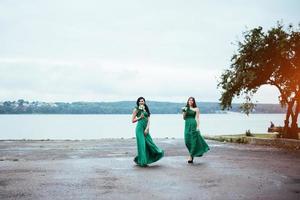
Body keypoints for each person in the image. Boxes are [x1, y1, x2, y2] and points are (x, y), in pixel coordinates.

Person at [132, 97, 164, 167]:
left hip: (146, 128)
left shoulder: (146, 108)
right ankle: (143, 162)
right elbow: (133, 120)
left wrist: (147, 128)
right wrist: (140, 117)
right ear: (138, 102)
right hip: (139, 129)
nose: (141, 102)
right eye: (140, 101)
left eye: (142, 101)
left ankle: (156, 153)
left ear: (144, 102)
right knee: (142, 145)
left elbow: (149, 119)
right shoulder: (136, 109)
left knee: (150, 143)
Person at [182, 97, 209, 163]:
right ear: (188, 101)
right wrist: (184, 111)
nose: (191, 101)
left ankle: (191, 157)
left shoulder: (196, 109)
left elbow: (197, 118)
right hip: (187, 125)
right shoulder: (185, 108)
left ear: (194, 102)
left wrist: (197, 127)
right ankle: (192, 154)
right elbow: (184, 118)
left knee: (193, 141)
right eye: (189, 100)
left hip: (193, 125)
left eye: (192, 100)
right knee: (187, 141)